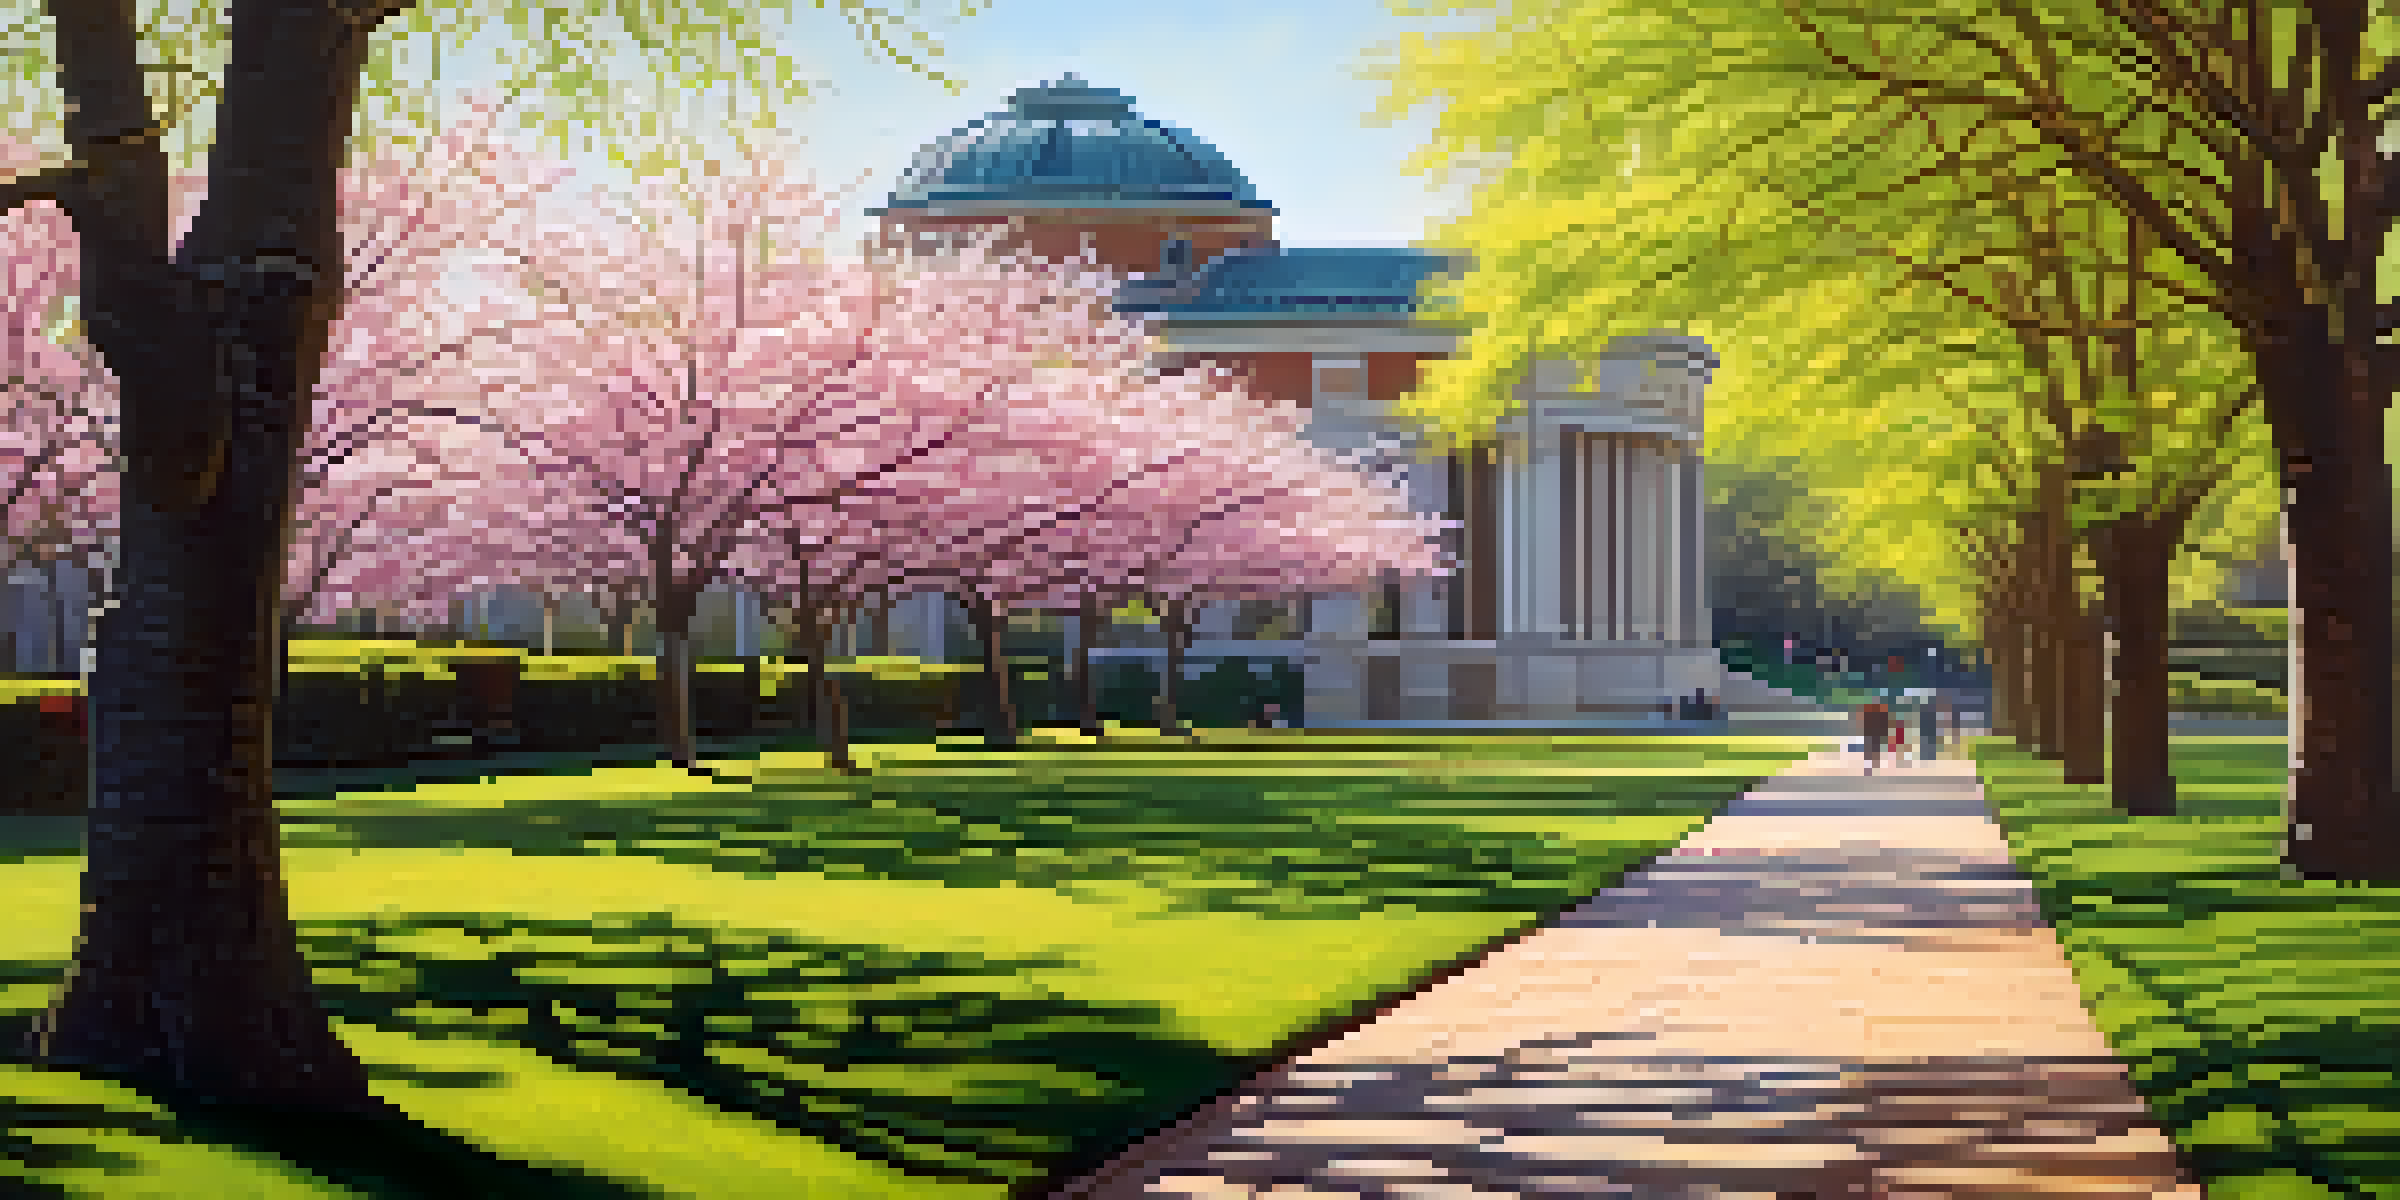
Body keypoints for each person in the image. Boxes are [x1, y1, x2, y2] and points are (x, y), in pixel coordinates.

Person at [1861, 700, 1889, 774]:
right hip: (1872, 735)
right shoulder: (1872, 710)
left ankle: (1872, 769)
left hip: (1874, 735)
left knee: (1873, 752)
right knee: (1872, 752)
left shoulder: (1880, 710)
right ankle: (1871, 769)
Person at [1919, 691, 1941, 761]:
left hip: (1930, 729)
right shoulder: (1926, 709)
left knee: (1929, 743)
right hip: (1927, 729)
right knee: (1926, 743)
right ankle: (1927, 758)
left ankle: (1929, 758)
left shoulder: (1929, 709)